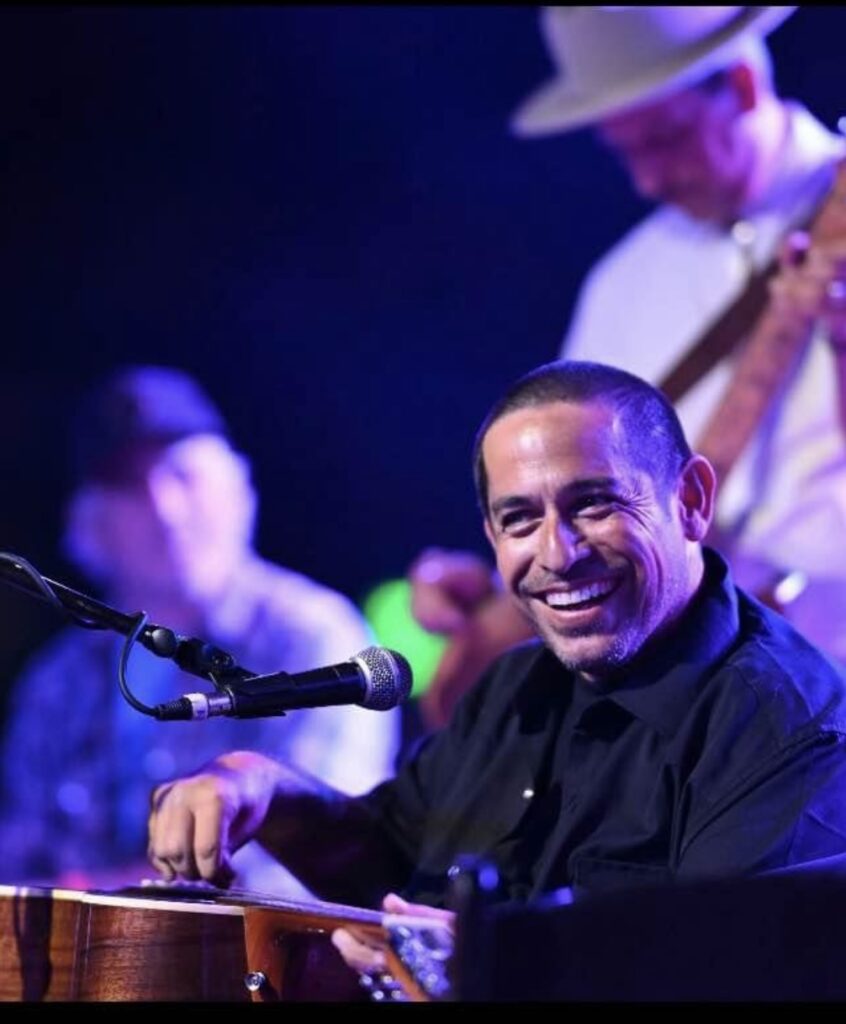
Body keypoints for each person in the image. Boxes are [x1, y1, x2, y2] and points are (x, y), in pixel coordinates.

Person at [146, 359, 846, 975]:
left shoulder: (787, 726)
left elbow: (726, 976)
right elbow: (389, 860)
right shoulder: (512, 688)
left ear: (691, 501)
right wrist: (263, 791)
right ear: (490, 535)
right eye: (519, 520)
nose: (557, 552)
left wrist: (500, 969)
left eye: (594, 505)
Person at [410, 5, 846, 730]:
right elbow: (584, 494)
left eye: (666, 139)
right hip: (693, 711)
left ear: (739, 83)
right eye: (625, 152)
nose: (647, 179)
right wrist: (497, 591)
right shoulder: (623, 283)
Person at [0, 364, 401, 893]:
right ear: (89, 524)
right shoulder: (59, 678)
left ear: (236, 489)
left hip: (258, 969)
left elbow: (311, 859)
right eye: (132, 488)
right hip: (83, 967)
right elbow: (23, 853)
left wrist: (93, 899)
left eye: (183, 476)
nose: (166, 510)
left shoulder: (312, 635)